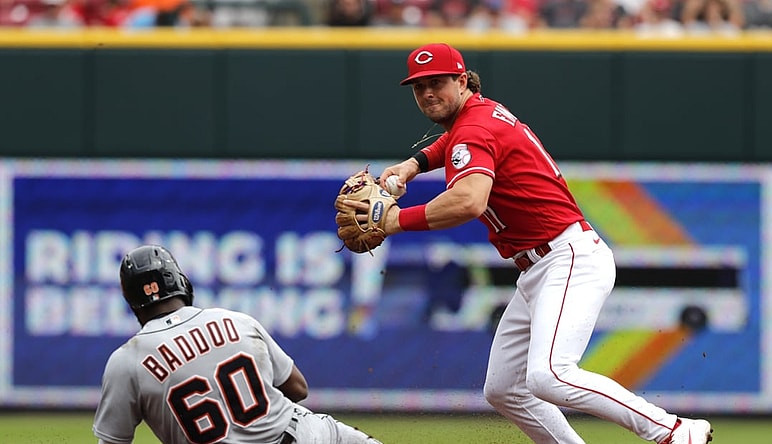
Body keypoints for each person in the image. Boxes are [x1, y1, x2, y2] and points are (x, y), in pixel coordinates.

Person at [347, 42, 713, 444]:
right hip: (540, 266)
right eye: (419, 87)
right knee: (504, 388)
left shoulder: (473, 127)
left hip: (567, 257)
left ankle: (676, 431)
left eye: (437, 82)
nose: (428, 93)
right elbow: (455, 143)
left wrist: (397, 220)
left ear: (463, 81)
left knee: (550, 374)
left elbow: (469, 200)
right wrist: (414, 165)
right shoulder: (479, 114)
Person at [93, 244, 382, 444]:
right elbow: (298, 388)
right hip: (309, 436)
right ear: (179, 282)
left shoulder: (126, 361)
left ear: (131, 301)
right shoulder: (235, 320)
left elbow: (112, 439)